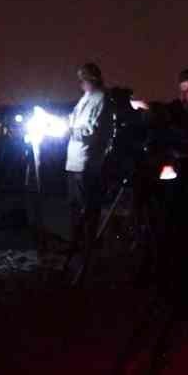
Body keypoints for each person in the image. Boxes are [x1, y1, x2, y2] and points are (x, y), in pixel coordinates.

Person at [65, 62, 109, 250]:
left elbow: (93, 130)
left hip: (87, 163)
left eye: (82, 80)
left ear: (90, 79)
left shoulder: (101, 99)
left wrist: (69, 130)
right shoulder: (85, 98)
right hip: (74, 162)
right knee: (75, 206)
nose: (80, 84)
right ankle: (77, 243)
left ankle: (89, 245)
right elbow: (72, 120)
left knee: (88, 208)